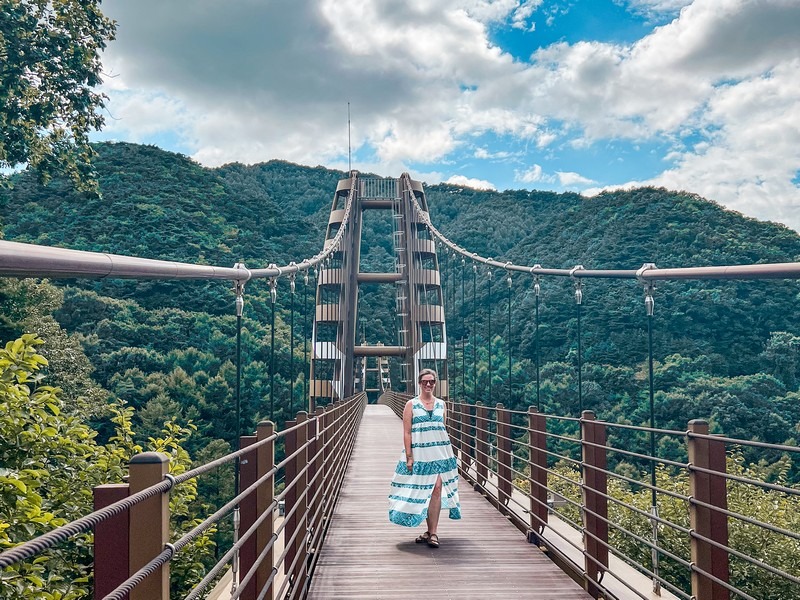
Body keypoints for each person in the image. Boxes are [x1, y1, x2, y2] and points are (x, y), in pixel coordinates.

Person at [388, 368, 461, 548]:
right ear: (419, 383)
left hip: (440, 454)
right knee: (423, 491)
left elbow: (442, 429)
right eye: (424, 382)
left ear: (435, 383)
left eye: (432, 381)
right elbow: (406, 432)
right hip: (420, 455)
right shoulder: (411, 405)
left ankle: (433, 533)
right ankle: (428, 531)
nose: (428, 384)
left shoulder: (442, 405)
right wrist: (409, 457)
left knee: (436, 488)